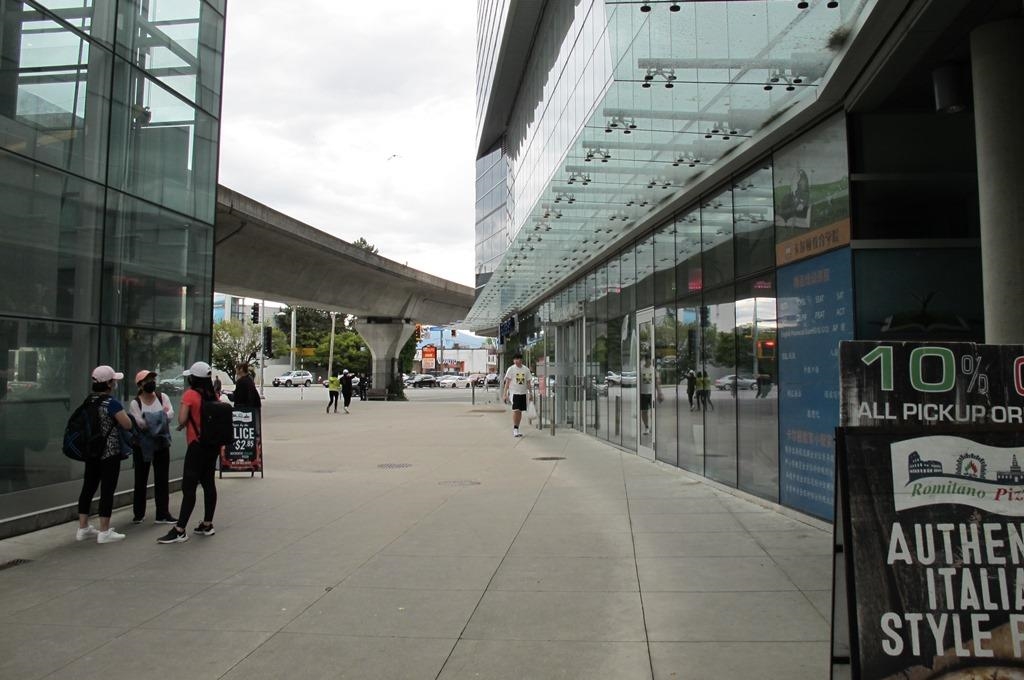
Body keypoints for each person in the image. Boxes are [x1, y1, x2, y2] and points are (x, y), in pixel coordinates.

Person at [158, 361, 219, 544]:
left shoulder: (190, 395)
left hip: (196, 445)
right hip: (212, 446)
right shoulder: (214, 395)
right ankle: (207, 523)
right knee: (209, 483)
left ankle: (180, 529)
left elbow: (182, 419)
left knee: (189, 487)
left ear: (193, 378)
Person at [75, 366, 134, 544]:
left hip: (91, 451)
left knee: (88, 487)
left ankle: (83, 527)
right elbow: (127, 424)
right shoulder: (111, 403)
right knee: (107, 489)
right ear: (108, 383)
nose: (115, 383)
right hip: (109, 452)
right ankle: (104, 530)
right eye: (113, 380)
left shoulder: (88, 401)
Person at [127, 370, 176, 525]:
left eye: (153, 379)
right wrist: (161, 417)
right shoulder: (135, 403)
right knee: (140, 479)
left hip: (161, 443)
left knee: (162, 479)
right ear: (140, 385)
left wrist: (150, 419)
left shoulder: (162, 397)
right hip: (142, 446)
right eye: (147, 380)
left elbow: (171, 415)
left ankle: (162, 513)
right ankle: (138, 513)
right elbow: (140, 424)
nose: (151, 383)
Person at [502, 353, 534, 438]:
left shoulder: (526, 370)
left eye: (517, 359)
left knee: (520, 411)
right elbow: (507, 383)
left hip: (523, 393)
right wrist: (504, 394)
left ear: (521, 360)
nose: (516, 361)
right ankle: (515, 429)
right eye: (514, 359)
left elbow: (528, 383)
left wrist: (530, 393)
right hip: (514, 393)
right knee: (516, 410)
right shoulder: (511, 369)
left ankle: (517, 427)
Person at [639, 355, 663, 435]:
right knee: (644, 411)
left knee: (653, 411)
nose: (649, 361)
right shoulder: (641, 370)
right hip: (643, 394)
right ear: (645, 360)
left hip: (651, 394)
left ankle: (653, 427)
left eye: (650, 360)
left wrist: (659, 393)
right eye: (648, 360)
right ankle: (646, 427)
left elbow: (657, 383)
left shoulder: (653, 370)